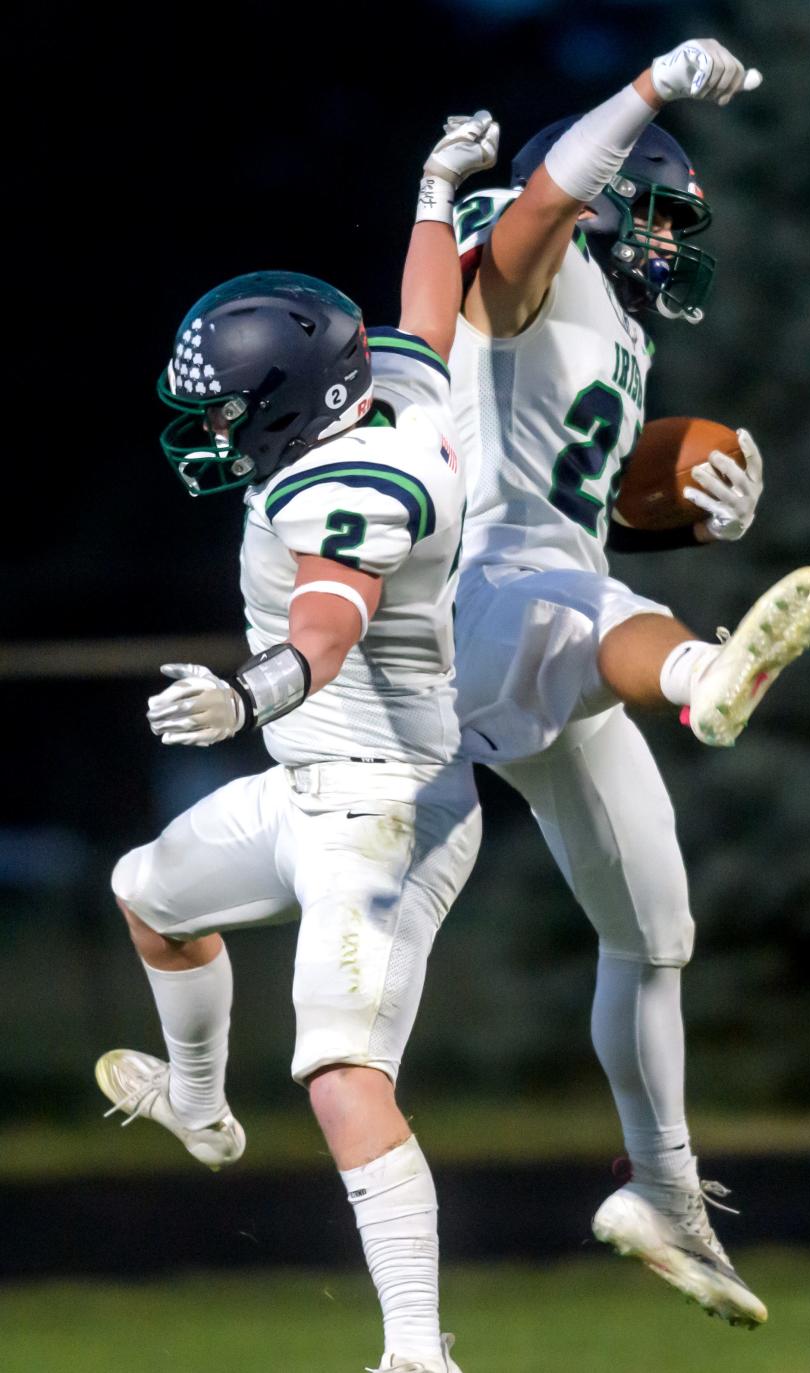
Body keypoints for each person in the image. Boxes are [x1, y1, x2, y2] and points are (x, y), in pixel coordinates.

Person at [95, 112, 499, 1373]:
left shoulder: (346, 487)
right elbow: (428, 320)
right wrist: (436, 191)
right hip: (314, 786)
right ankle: (205, 1111)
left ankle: (417, 1355)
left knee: (336, 1063)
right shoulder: (395, 394)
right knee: (148, 893)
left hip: (392, 805)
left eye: (225, 408)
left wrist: (248, 689)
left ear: (281, 403)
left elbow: (332, 610)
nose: (211, 430)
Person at [448, 39, 810, 1328]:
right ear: (611, 194)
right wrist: (651, 90)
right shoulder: (534, 260)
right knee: (599, 614)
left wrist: (690, 518)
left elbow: (584, 501)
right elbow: (537, 212)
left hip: (558, 610)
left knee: (654, 926)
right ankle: (696, 667)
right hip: (477, 599)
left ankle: (663, 1186)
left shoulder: (614, 327)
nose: (670, 243)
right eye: (657, 214)